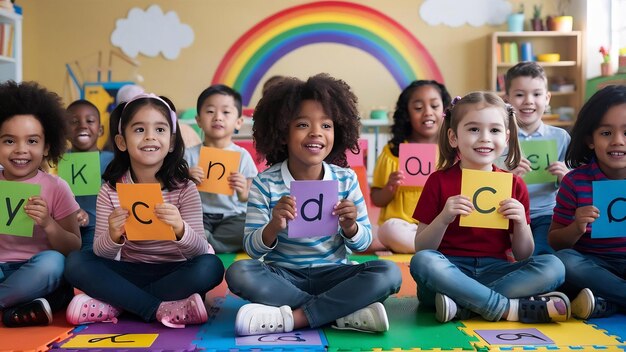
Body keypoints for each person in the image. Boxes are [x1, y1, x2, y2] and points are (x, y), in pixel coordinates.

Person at [225, 74, 402, 336]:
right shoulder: (265, 182)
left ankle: (295, 318)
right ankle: (342, 312)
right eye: (303, 124)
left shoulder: (346, 178)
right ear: (283, 133)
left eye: (326, 125)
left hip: (335, 275)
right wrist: (273, 226)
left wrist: (351, 226)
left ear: (338, 131)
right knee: (239, 271)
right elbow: (251, 248)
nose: (316, 132)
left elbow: (363, 244)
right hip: (284, 277)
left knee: (389, 271)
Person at [64, 93, 224, 328]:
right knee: (76, 263)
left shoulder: (185, 188)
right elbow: (101, 253)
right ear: (121, 142)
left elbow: (199, 249)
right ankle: (158, 308)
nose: (150, 136)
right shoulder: (110, 189)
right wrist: (113, 235)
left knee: (211, 266)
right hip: (129, 270)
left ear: (170, 142)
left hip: (175, 270)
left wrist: (180, 229)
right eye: (139, 130)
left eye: (160, 130)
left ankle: (118, 303)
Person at [410, 92, 571, 324]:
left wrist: (520, 224)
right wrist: (444, 218)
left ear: (506, 138)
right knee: (423, 262)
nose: (485, 138)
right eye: (474, 129)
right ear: (454, 137)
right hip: (449, 271)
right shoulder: (438, 181)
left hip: (495, 270)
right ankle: (506, 308)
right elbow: (422, 248)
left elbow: (523, 254)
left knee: (554, 265)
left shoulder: (515, 185)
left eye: (494, 130)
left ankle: (466, 304)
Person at [0, 81, 81, 327]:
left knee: (54, 263)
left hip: (36, 271)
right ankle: (19, 307)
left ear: (47, 147)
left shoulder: (57, 187)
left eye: (32, 141)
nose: (21, 150)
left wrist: (48, 223)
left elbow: (73, 247)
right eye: (9, 141)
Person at [549, 85, 626, 320]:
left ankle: (607, 302)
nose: (618, 142)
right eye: (606, 133)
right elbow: (556, 241)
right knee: (563, 262)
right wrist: (576, 227)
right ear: (590, 140)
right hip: (593, 265)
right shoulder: (575, 182)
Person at [371, 80, 451, 253]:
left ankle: (429, 245)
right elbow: (376, 199)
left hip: (438, 225)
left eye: (435, 106)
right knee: (388, 230)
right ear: (407, 114)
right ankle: (433, 247)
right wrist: (389, 188)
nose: (427, 112)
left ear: (445, 111)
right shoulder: (392, 152)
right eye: (418, 108)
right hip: (403, 226)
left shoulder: (453, 152)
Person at [504, 62, 571, 255]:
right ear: (506, 100)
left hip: (546, 214)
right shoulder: (499, 138)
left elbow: (574, 186)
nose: (528, 101)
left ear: (547, 98)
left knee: (542, 254)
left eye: (536, 94)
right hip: (505, 214)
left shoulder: (561, 137)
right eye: (519, 95)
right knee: (498, 255)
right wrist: (508, 176)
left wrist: (564, 177)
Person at [184, 84, 257, 253]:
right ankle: (206, 241)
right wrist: (187, 178)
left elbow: (249, 197)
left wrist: (242, 191)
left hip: (233, 216)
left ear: (238, 122)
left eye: (226, 112)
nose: (217, 117)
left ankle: (207, 243)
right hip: (199, 215)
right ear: (198, 120)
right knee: (182, 226)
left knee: (251, 227)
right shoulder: (188, 155)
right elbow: (175, 190)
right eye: (210, 111)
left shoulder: (243, 155)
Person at [66, 99, 115, 251]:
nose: (82, 125)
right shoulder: (58, 162)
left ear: (100, 130)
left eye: (90, 120)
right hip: (65, 228)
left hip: (99, 230)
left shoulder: (113, 161)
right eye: (74, 121)